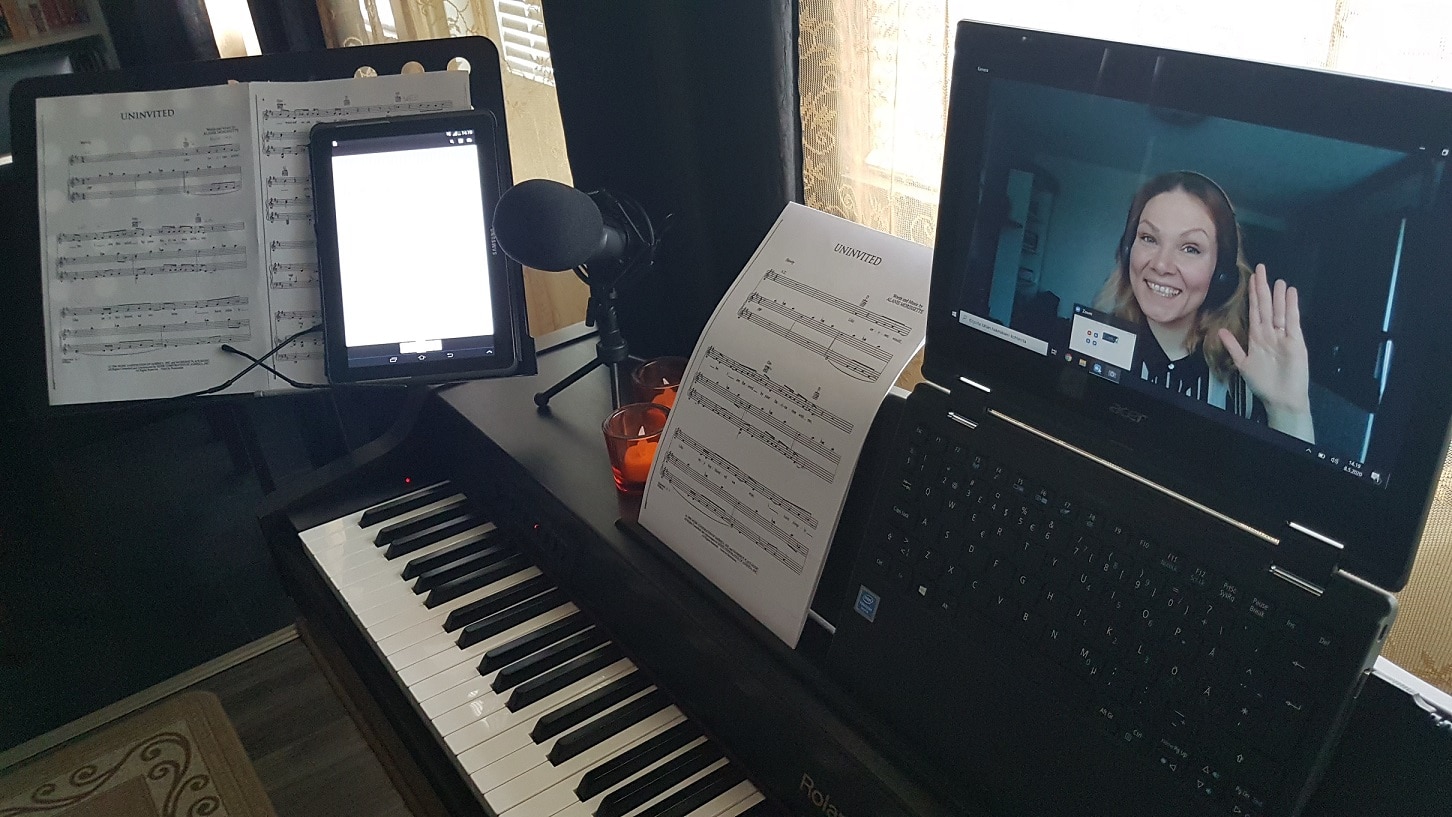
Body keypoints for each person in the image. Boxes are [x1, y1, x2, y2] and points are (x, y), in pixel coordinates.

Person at [1094, 170, 1315, 443]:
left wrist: (1288, 411)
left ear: (1221, 273)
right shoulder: (1090, 342)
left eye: (1190, 248)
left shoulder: (1249, 384)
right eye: (1149, 238)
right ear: (1128, 250)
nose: (1161, 265)